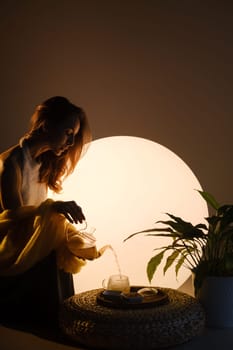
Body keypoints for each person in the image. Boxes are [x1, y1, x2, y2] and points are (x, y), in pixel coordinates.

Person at [0, 96, 106, 329]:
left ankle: (66, 321)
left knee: (66, 241)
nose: (71, 141)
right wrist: (53, 208)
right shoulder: (11, 163)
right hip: (11, 248)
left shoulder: (43, 163)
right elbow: (12, 219)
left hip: (32, 241)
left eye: (74, 135)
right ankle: (58, 324)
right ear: (46, 125)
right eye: (68, 132)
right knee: (55, 240)